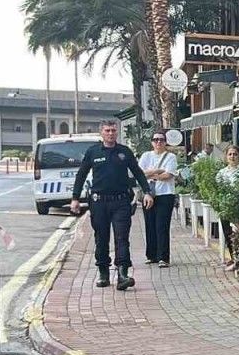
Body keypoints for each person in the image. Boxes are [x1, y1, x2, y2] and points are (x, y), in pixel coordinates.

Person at [71, 119, 153, 291]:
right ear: (101, 132)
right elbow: (81, 174)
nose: (110, 133)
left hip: (121, 201)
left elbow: (138, 172)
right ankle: (103, 273)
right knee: (101, 238)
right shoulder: (93, 152)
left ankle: (123, 274)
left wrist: (147, 192)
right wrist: (75, 198)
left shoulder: (124, 152)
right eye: (107, 130)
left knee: (122, 237)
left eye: (113, 130)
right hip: (99, 202)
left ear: (117, 132)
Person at [140, 130, 179, 267]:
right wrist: (158, 171)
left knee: (162, 226)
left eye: (161, 140)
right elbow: (139, 174)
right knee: (149, 225)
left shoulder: (171, 157)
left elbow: (168, 175)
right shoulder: (146, 156)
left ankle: (163, 257)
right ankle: (151, 255)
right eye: (156, 140)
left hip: (165, 194)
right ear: (152, 142)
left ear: (165, 142)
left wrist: (149, 174)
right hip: (148, 194)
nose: (158, 142)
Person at [216, 145, 239, 268]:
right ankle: (233, 258)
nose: (232, 157)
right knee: (228, 233)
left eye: (235, 154)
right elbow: (218, 190)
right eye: (230, 154)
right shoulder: (221, 173)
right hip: (225, 206)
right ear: (226, 157)